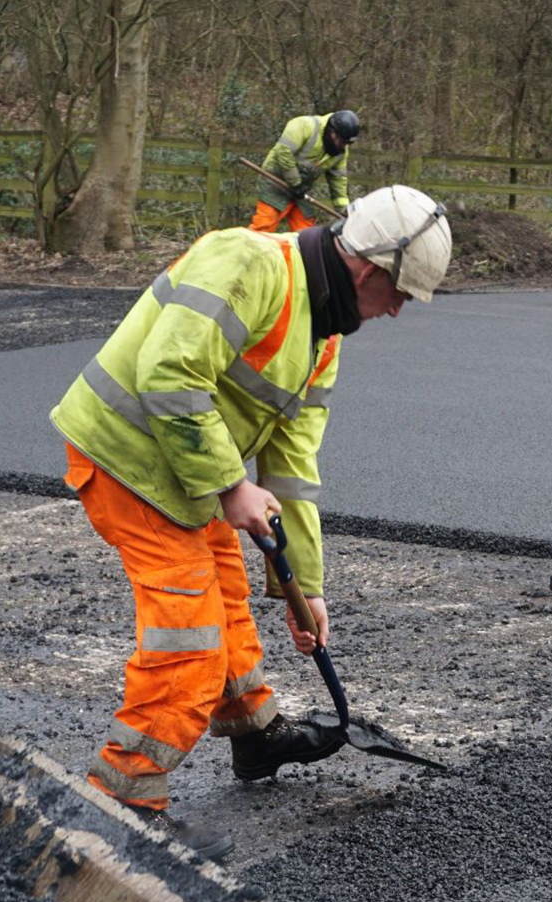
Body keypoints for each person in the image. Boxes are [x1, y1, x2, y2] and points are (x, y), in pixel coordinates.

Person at [51, 185, 451, 860]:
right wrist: (232, 484)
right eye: (401, 294)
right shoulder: (248, 263)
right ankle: (120, 798)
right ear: (367, 270)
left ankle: (254, 733)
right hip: (125, 454)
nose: (399, 311)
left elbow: (292, 471)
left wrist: (306, 588)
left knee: (228, 597)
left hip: (184, 470)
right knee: (190, 646)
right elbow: (167, 375)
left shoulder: (324, 337)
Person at [249, 110, 360, 233]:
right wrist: (295, 182)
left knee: (305, 234)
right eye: (340, 140)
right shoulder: (304, 126)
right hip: (275, 183)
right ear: (331, 130)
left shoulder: (340, 152)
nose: (341, 146)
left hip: (301, 191)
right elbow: (283, 151)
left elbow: (338, 180)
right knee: (264, 227)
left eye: (346, 143)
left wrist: (344, 211)